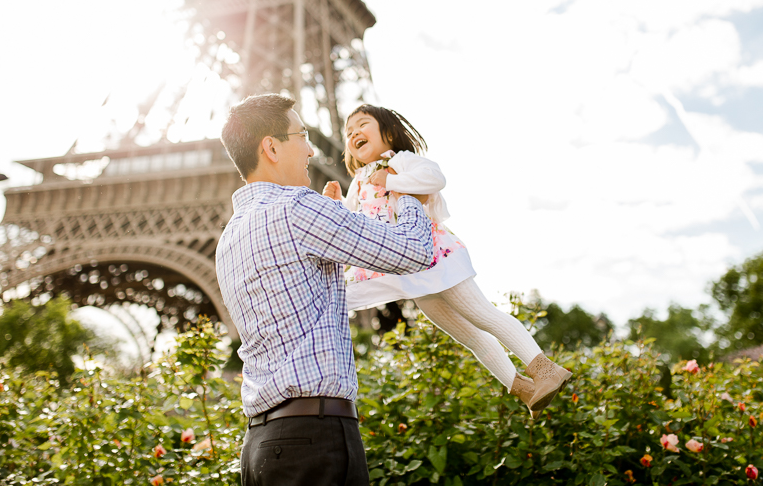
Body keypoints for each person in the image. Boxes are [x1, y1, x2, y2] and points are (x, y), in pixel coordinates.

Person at [216, 94, 434, 486]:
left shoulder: (230, 236)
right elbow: (415, 250)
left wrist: (335, 223)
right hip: (314, 440)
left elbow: (301, 293)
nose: (312, 149)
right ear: (271, 147)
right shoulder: (298, 208)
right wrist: (406, 196)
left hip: (259, 447)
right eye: (302, 136)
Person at [323, 105, 572, 420]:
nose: (354, 133)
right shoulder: (358, 181)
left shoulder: (398, 160)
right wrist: (336, 205)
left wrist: (389, 178)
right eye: (348, 132)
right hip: (408, 273)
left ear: (388, 132)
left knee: (483, 316)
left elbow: (433, 179)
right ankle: (523, 389)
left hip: (437, 259)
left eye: (362, 124)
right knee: (470, 337)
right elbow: (360, 224)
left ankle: (545, 369)